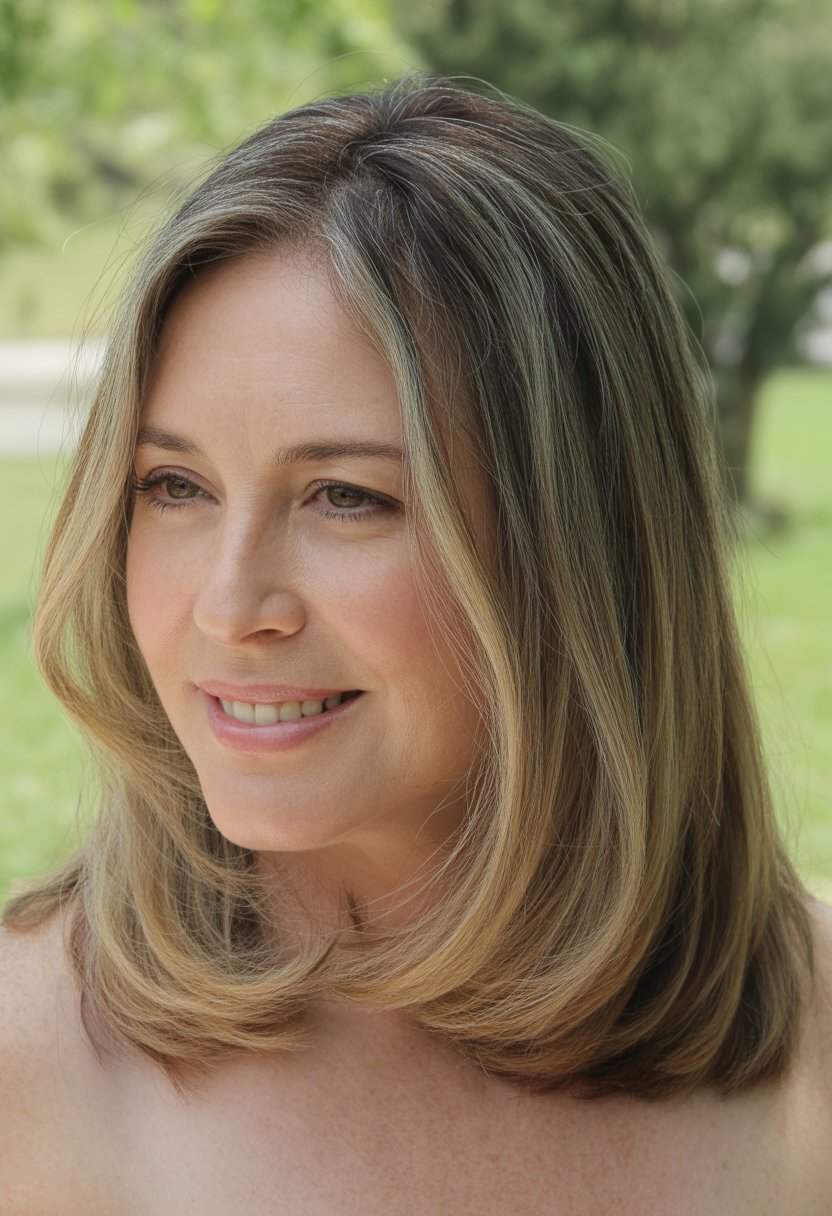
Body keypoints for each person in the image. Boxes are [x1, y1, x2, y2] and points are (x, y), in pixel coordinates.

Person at [2, 74, 830, 1214]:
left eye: (346, 496)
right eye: (175, 485)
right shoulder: (29, 1068)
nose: (228, 606)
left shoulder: (811, 1048)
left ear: (582, 548)